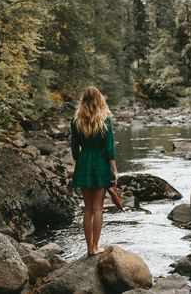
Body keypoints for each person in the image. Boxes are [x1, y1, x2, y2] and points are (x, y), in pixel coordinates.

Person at [70, 86, 118, 255]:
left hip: (84, 162)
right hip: (100, 163)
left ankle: (89, 247)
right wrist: (114, 169)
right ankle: (96, 247)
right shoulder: (105, 121)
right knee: (98, 208)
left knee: (88, 208)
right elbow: (109, 148)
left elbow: (74, 149)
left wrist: (81, 161)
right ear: (100, 100)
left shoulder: (76, 121)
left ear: (83, 100)